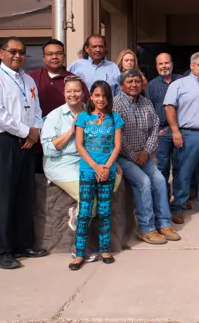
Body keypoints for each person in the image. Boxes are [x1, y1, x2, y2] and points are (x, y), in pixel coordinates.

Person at [0, 36, 47, 269]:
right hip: (2, 142)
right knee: (2, 197)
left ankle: (22, 244)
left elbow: (36, 108)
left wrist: (34, 131)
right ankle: (0, 251)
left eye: (21, 52)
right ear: (2, 53)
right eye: (13, 52)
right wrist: (26, 131)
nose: (17, 56)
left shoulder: (28, 80)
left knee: (23, 195)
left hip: (26, 143)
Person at [40, 76, 107, 263]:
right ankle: (80, 247)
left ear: (84, 93)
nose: (73, 95)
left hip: (86, 162)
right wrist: (72, 130)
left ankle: (77, 214)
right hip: (61, 164)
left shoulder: (92, 112)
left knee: (110, 183)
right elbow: (48, 149)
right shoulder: (55, 116)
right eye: (69, 91)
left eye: (77, 91)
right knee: (88, 196)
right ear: (64, 93)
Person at [113, 70, 181, 245]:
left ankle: (164, 224)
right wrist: (132, 155)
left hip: (144, 154)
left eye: (137, 81)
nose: (134, 84)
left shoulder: (146, 103)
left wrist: (146, 151)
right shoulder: (116, 104)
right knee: (144, 182)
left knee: (159, 180)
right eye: (130, 81)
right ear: (122, 85)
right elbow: (118, 134)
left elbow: (154, 128)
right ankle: (145, 228)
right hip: (123, 157)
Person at [70, 81, 124, 270]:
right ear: (91, 96)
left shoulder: (115, 118)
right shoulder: (82, 118)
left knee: (104, 211)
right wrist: (95, 167)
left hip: (107, 172)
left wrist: (106, 167)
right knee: (84, 212)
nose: (101, 99)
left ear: (109, 98)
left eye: (104, 96)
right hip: (88, 171)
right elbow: (79, 145)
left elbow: (117, 145)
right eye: (97, 95)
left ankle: (104, 249)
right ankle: (79, 253)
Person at [163, 52, 199, 224]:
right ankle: (179, 207)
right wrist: (175, 130)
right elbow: (169, 108)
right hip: (190, 134)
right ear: (192, 66)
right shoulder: (179, 84)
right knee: (184, 173)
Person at [29, 39, 89, 175]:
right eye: (50, 54)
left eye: (58, 53)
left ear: (64, 56)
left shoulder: (74, 81)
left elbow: (89, 109)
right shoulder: (32, 78)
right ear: (44, 58)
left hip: (66, 150)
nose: (54, 57)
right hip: (34, 143)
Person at [145, 53, 183, 197]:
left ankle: (180, 200)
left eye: (166, 63)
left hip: (181, 130)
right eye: (160, 64)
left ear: (172, 64)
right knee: (162, 167)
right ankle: (164, 198)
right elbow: (149, 111)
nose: (164, 66)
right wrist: (156, 131)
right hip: (162, 133)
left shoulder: (182, 81)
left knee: (181, 166)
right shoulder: (152, 85)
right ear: (156, 67)